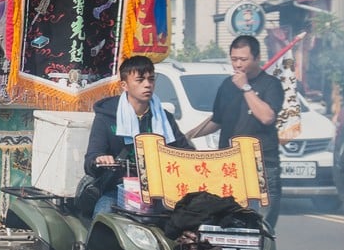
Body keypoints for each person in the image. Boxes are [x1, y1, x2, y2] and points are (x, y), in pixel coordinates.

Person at [186, 35, 284, 227]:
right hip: (229, 163)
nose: (238, 64)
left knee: (260, 223)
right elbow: (217, 120)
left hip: (261, 165)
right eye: (234, 59)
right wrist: (189, 135)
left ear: (256, 58)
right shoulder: (226, 85)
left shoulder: (271, 85)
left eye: (243, 60)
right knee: (228, 219)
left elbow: (267, 117)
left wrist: (246, 88)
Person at [84, 55, 193, 216]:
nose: (147, 85)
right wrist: (100, 159)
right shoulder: (106, 117)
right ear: (124, 85)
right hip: (118, 190)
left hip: (159, 194)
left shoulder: (164, 119)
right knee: (103, 214)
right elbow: (91, 159)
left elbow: (186, 153)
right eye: (140, 80)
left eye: (151, 79)